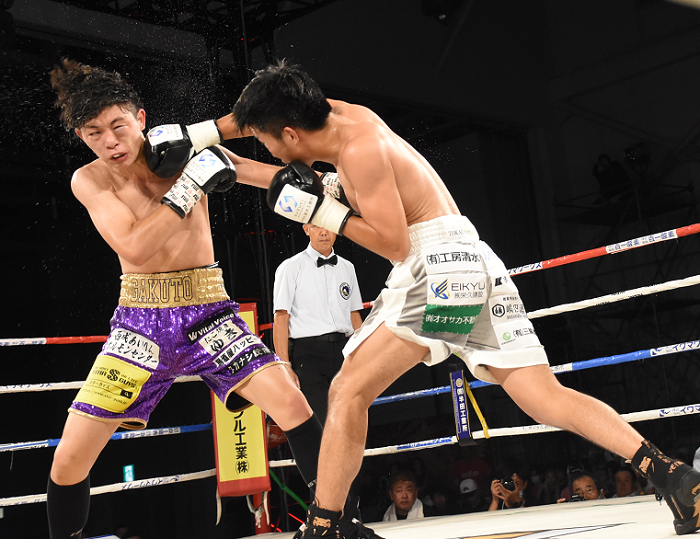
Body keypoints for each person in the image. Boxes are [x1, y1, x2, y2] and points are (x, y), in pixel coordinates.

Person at [148, 61, 700, 536]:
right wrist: (207, 140)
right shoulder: (344, 117)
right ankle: (670, 473)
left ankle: (325, 527)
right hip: (474, 260)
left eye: (268, 141)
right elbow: (267, 112)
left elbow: (393, 243)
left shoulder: (359, 151)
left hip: (433, 266)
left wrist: (318, 211)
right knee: (543, 396)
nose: (266, 145)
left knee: (346, 390)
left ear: (290, 134)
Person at [45, 59, 377, 539]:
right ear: (82, 136)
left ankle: (336, 525)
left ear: (140, 118)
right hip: (141, 323)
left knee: (293, 405)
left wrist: (328, 187)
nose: (111, 142)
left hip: (210, 312)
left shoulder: (182, 147)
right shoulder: (89, 180)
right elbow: (135, 246)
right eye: (95, 134)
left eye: (118, 126)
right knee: (69, 457)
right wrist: (190, 184)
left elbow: (251, 170)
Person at [273, 223, 363, 424]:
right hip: (308, 356)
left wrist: (364, 356)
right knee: (321, 424)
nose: (323, 232)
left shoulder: (347, 267)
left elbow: (354, 315)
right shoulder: (290, 267)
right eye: (317, 226)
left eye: (328, 226)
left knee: (351, 420)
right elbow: (281, 318)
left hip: (344, 352)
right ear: (306, 229)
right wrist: (284, 366)